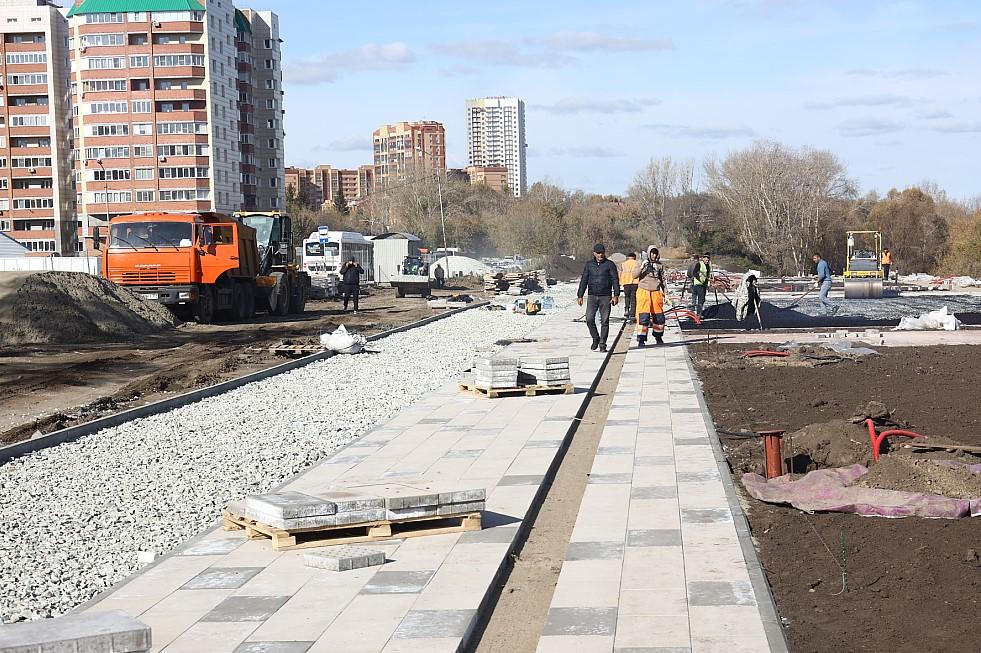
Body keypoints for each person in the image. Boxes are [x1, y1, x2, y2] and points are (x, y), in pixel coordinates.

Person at [577, 243, 620, 352]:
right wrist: (580, 295)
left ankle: (602, 344)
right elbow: (584, 280)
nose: (600, 255)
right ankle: (596, 338)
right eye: (598, 253)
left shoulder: (610, 265)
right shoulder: (589, 265)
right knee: (589, 319)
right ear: (594, 253)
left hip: (605, 296)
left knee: (605, 321)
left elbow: (615, 280)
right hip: (592, 296)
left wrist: (616, 295)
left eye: (602, 253)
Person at [634, 246, 666, 347]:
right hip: (643, 292)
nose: (654, 255)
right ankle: (641, 339)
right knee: (643, 317)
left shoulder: (659, 266)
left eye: (655, 253)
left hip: (656, 293)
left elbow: (663, 280)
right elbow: (634, 275)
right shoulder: (641, 263)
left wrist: (666, 293)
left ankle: (658, 337)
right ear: (648, 253)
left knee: (659, 317)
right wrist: (642, 267)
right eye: (652, 253)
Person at [689, 252, 712, 318]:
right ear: (703, 258)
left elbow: (708, 276)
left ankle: (698, 312)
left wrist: (709, 284)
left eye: (708, 259)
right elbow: (694, 273)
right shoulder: (699, 264)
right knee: (700, 299)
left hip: (703, 285)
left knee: (702, 299)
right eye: (706, 259)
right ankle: (698, 314)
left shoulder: (708, 266)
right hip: (698, 284)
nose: (707, 260)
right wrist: (699, 277)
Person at [619, 252, 640, 319]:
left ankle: (627, 310)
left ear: (628, 257)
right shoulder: (637, 263)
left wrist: (620, 282)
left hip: (626, 283)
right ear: (634, 257)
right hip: (635, 282)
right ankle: (632, 312)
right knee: (633, 298)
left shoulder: (623, 264)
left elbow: (620, 273)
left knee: (627, 297)